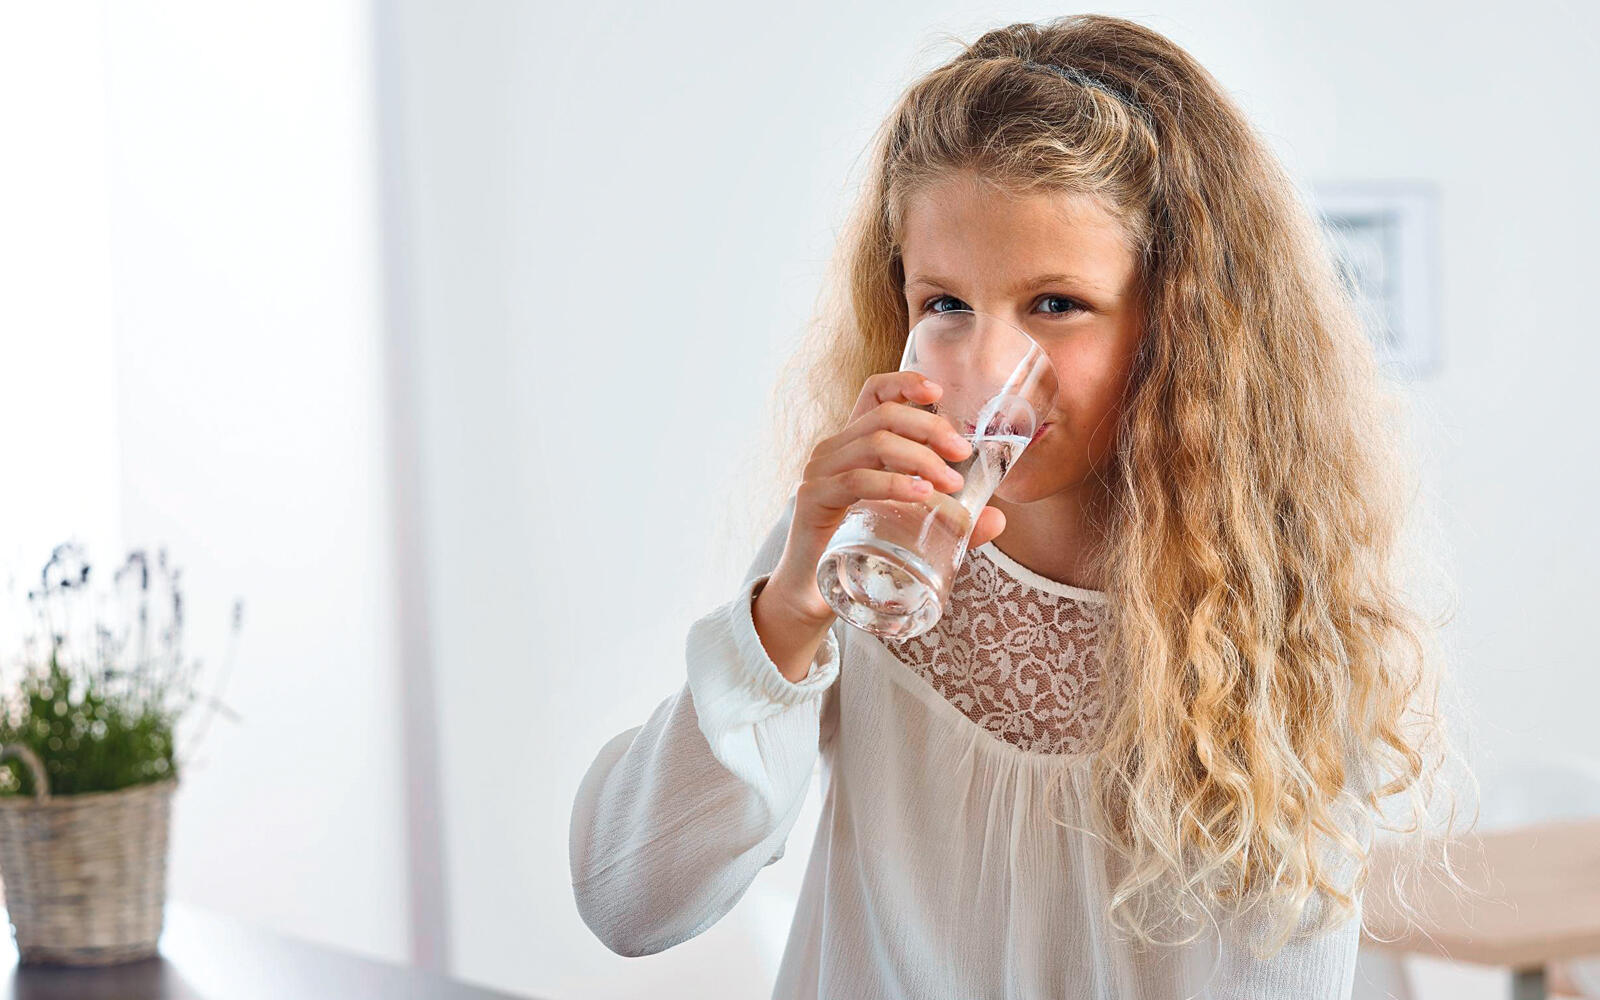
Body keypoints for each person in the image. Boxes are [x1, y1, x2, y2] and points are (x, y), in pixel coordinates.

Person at [569, 13, 1455, 998]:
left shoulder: (1268, 620)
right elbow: (629, 902)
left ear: (1177, 324)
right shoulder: (862, 542)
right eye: (944, 303)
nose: (983, 370)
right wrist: (781, 615)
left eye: (1055, 304)